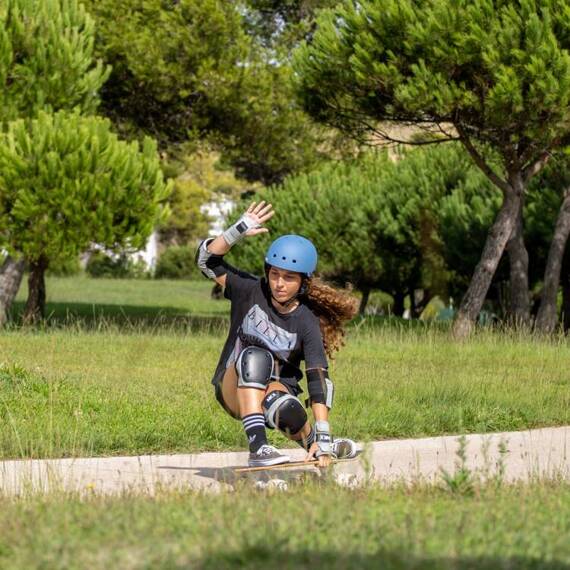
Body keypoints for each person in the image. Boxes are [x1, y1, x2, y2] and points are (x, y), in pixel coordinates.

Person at [196, 201, 359, 467]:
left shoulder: (306, 321)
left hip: (273, 391)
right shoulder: (250, 290)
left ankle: (316, 444)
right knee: (255, 357)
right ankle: (258, 447)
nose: (279, 284)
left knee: (288, 410)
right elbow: (206, 261)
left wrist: (325, 436)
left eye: (289, 278)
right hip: (233, 386)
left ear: (304, 282)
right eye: (274, 274)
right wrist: (236, 231)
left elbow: (319, 380)